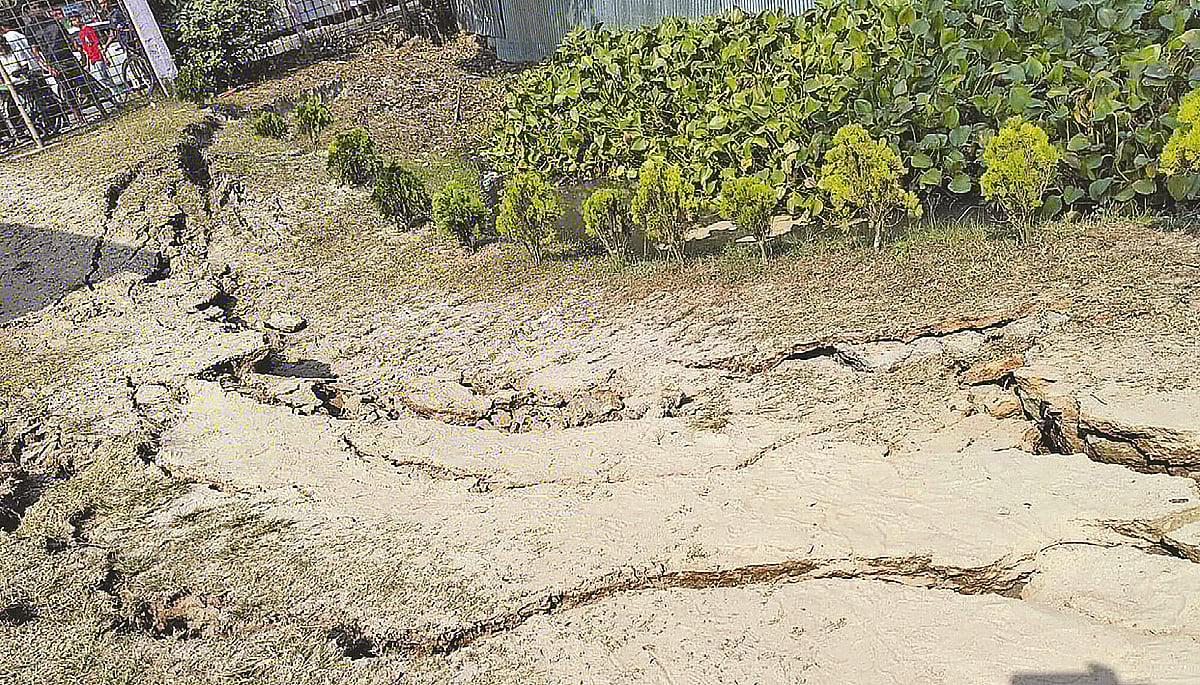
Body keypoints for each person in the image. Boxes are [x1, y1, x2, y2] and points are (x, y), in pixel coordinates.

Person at [21, 0, 108, 123]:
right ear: (29, 11)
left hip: (69, 58)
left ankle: (103, 111)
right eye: (34, 7)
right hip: (54, 63)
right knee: (68, 92)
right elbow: (35, 51)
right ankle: (80, 119)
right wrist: (47, 67)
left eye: (40, 6)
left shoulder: (54, 21)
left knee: (86, 85)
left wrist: (81, 52)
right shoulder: (30, 29)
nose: (38, 9)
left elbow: (68, 37)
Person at [71, 14, 113, 94]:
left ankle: (117, 93)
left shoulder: (89, 30)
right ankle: (113, 95)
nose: (74, 22)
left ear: (80, 18)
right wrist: (87, 64)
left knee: (104, 78)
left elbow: (97, 44)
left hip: (98, 57)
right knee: (100, 80)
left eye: (75, 19)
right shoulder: (80, 34)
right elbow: (85, 51)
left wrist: (104, 57)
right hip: (92, 60)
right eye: (72, 21)